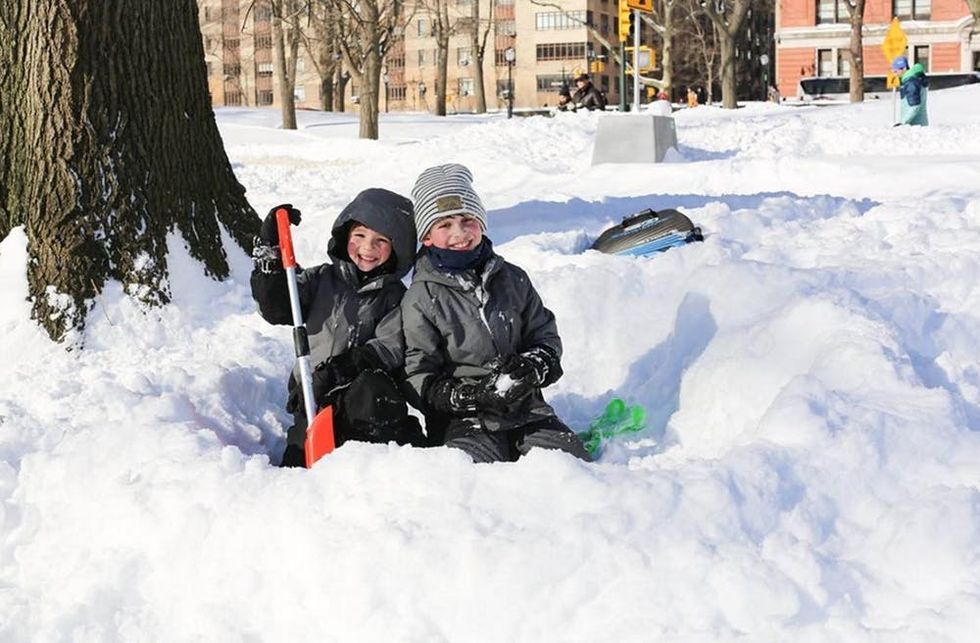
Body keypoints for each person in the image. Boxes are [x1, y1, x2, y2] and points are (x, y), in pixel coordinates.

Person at [401, 163, 592, 464]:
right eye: (445, 225)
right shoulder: (421, 297)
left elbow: (544, 334)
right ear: (426, 236)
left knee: (567, 463)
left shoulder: (512, 279)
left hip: (526, 410)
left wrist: (534, 364)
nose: (460, 233)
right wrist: (468, 397)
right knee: (479, 476)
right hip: (464, 420)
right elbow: (417, 373)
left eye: (467, 220)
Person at [251, 189, 425, 467]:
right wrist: (271, 251)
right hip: (313, 398)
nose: (368, 248)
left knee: (371, 395)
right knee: (298, 462)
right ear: (345, 236)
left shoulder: (395, 298)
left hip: (365, 405)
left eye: (381, 241)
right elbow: (276, 307)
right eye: (360, 236)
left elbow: (389, 347)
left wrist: (339, 370)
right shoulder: (320, 279)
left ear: (397, 249)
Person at [892, 56, 928, 126]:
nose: (894, 74)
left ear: (904, 68)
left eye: (896, 71)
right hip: (918, 125)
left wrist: (903, 123)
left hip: (915, 126)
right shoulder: (911, 80)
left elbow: (914, 106)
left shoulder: (911, 83)